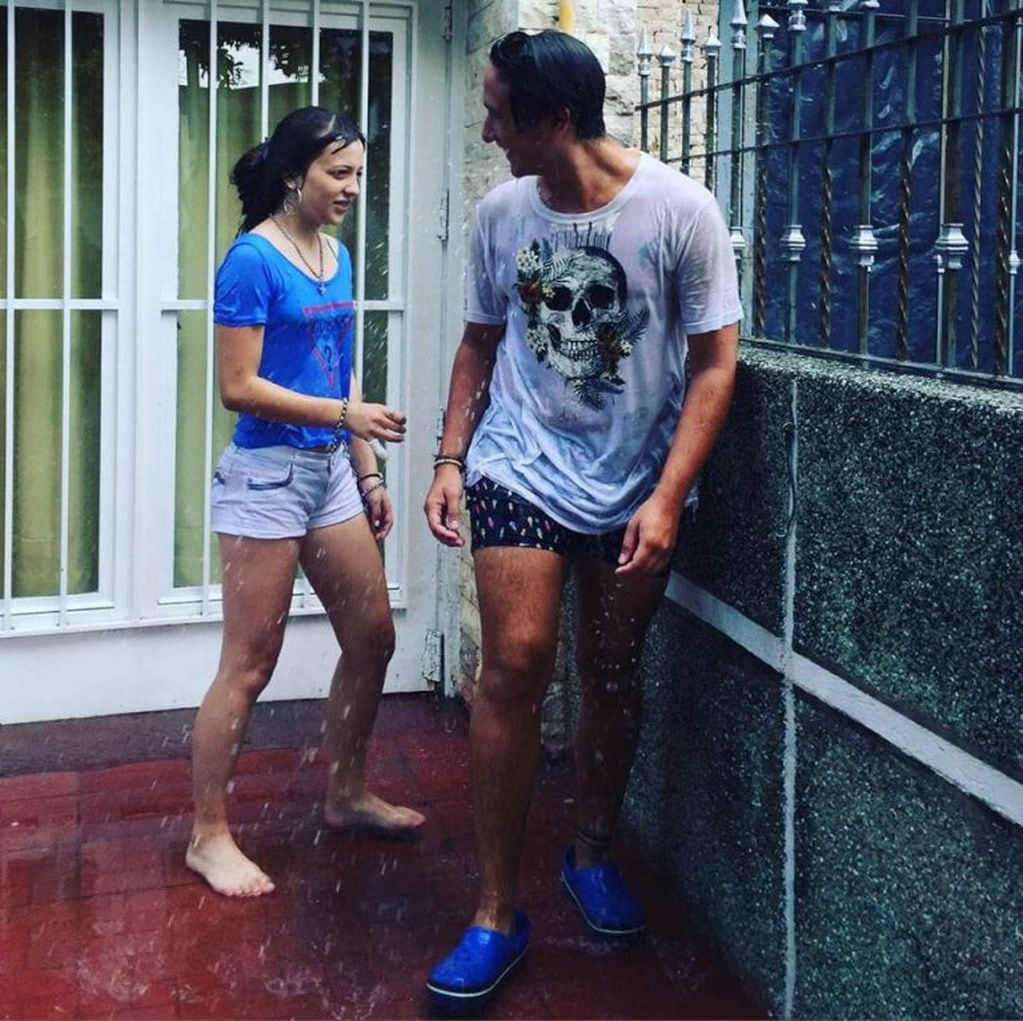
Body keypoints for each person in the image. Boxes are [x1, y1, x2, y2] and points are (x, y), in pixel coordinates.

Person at [423, 30, 741, 1007]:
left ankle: (591, 847)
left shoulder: (680, 211)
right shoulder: (501, 212)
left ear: (553, 118)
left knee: (610, 670)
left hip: (638, 479)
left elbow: (715, 362)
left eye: (497, 112)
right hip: (519, 463)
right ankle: (491, 909)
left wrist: (666, 496)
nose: (487, 129)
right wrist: (448, 456)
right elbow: (479, 343)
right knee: (516, 662)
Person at [187, 106, 424, 899]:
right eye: (339, 173)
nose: (354, 187)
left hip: (328, 472)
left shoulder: (337, 255)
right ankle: (207, 834)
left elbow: (338, 365)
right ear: (296, 175)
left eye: (359, 172)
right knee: (249, 665)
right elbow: (237, 387)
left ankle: (346, 791)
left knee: (373, 634)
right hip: (263, 478)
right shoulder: (251, 260)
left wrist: (366, 469)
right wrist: (345, 420)